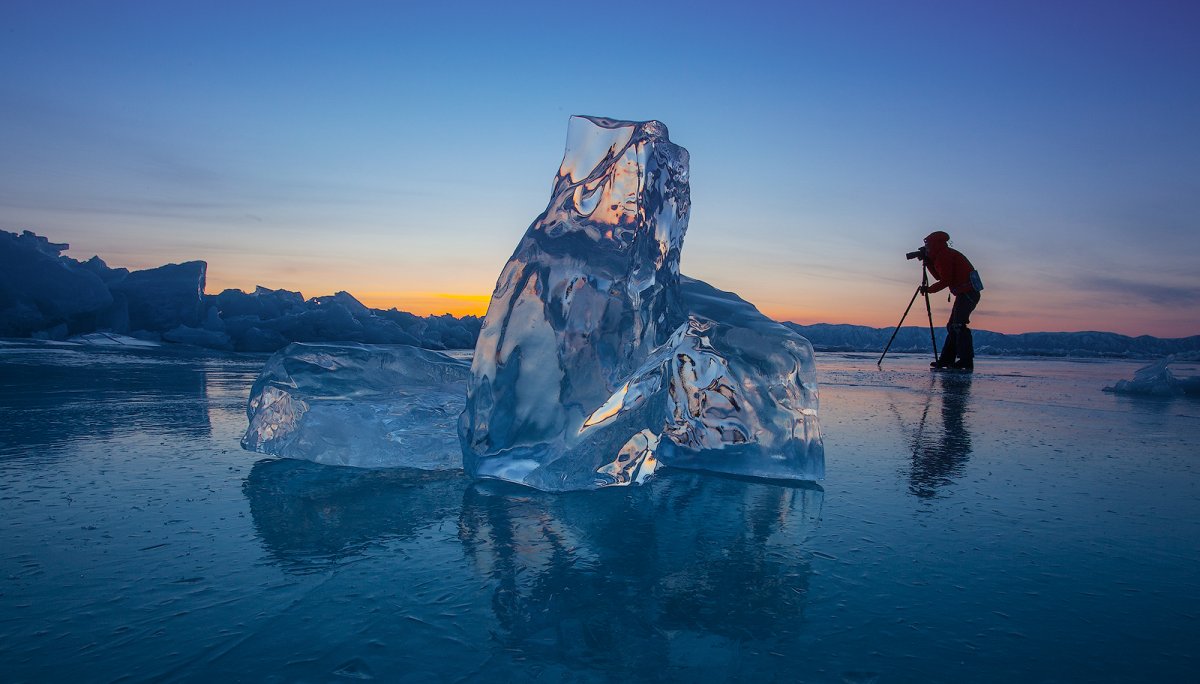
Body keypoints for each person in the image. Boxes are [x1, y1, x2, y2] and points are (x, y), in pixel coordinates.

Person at [919, 231, 981, 371]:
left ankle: (965, 361)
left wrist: (929, 290)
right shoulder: (943, 254)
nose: (927, 248)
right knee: (953, 326)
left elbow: (945, 280)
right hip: (966, 292)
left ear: (934, 244)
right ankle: (947, 360)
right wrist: (928, 261)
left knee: (958, 325)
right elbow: (940, 276)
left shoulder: (944, 256)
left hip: (967, 292)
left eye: (928, 245)